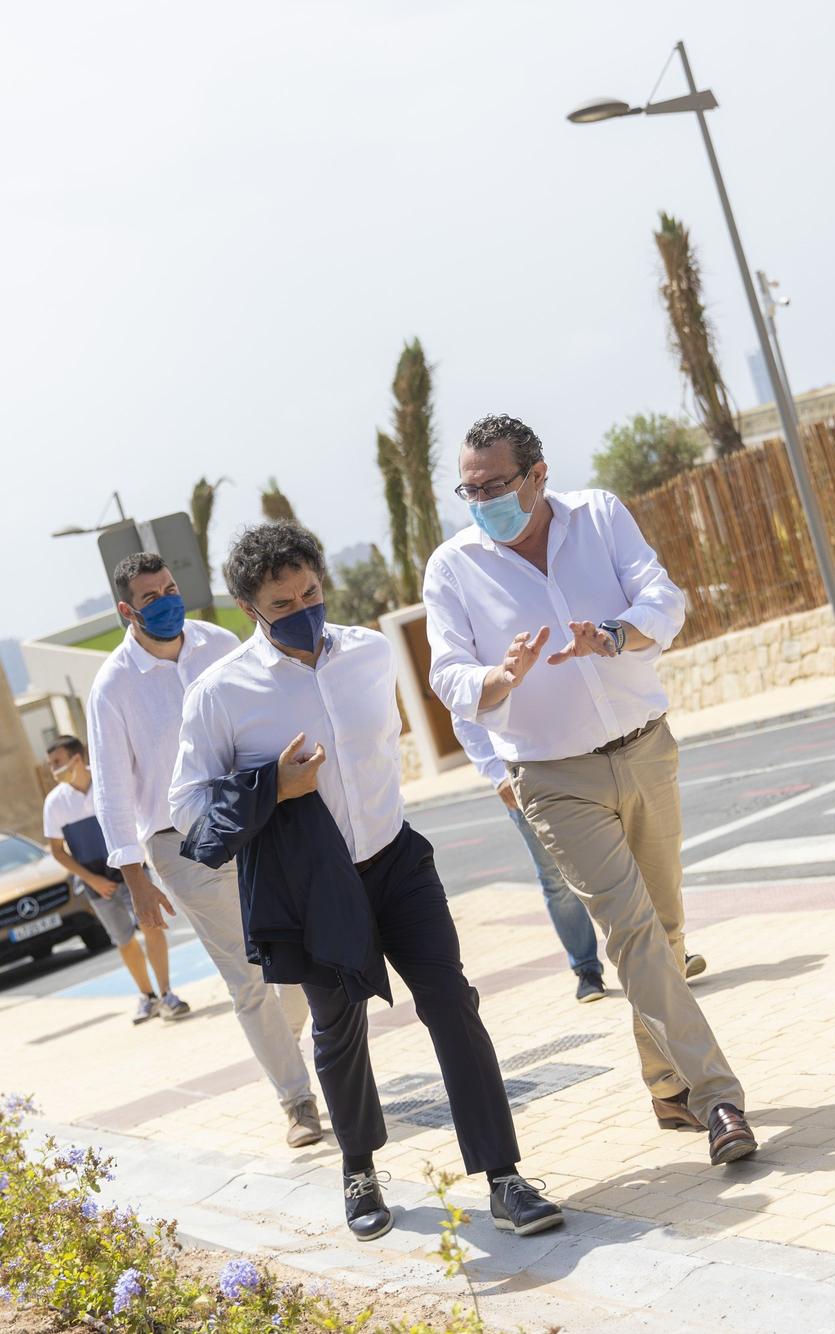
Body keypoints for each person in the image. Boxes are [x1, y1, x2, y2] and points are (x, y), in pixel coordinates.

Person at [170, 521, 563, 1242]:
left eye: (311, 592)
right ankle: (358, 1167)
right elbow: (189, 813)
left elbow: (431, 720)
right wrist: (272, 789)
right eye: (283, 605)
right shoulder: (221, 694)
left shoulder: (371, 654)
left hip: (396, 860)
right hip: (314, 889)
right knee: (337, 1027)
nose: (303, 610)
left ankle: (504, 1177)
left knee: (450, 1000)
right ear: (250, 609)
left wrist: (494, 727)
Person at [422, 413, 756, 1167]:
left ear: (538, 475)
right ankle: (718, 1098)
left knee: (666, 930)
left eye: (495, 485)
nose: (481, 501)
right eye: (468, 489)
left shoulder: (600, 516)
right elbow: (447, 674)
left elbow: (664, 600)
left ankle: (667, 1082)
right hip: (552, 778)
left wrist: (612, 633)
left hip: (644, 750)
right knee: (633, 932)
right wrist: (497, 680)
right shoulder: (453, 568)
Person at [84, 552, 322, 1148]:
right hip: (180, 845)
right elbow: (112, 787)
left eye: (170, 588)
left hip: (255, 818)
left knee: (291, 959)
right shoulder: (112, 685)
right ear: (126, 611)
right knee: (247, 978)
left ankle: (279, 1044)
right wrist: (134, 876)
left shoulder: (220, 643)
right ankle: (296, 1101)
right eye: (151, 597)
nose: (167, 601)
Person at [451, 714, 607, 1004]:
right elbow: (464, 714)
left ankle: (665, 949)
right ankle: (587, 969)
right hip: (523, 776)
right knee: (556, 878)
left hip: (581, 756)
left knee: (621, 852)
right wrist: (497, 775)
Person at [42, 735, 188, 1024]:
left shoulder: (109, 784)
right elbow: (58, 851)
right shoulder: (55, 803)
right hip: (97, 883)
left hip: (130, 870)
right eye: (50, 764)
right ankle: (147, 997)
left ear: (75, 759)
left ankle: (167, 994)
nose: (53, 770)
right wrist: (91, 881)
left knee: (152, 928)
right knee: (124, 940)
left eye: (57, 762)